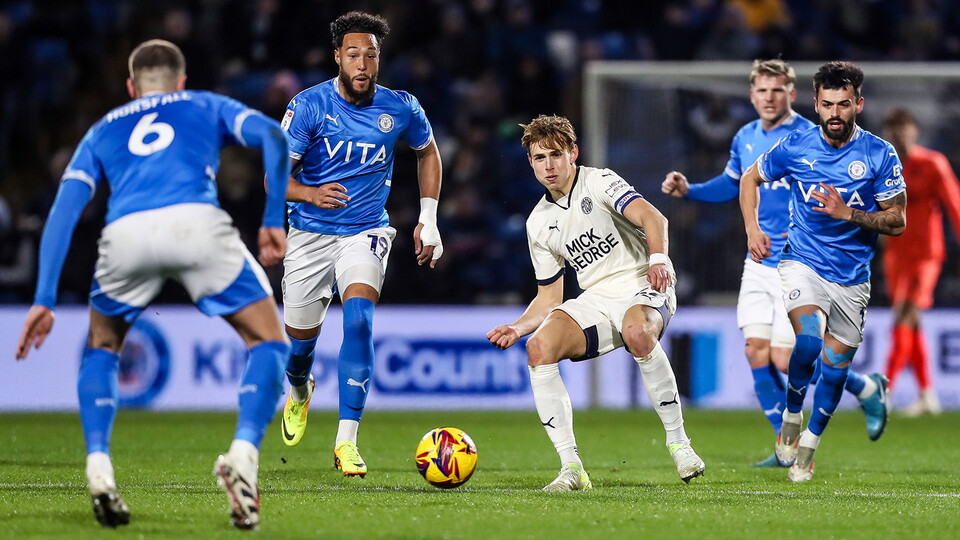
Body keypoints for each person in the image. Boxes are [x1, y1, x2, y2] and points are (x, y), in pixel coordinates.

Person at [14, 40, 291, 529]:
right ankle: (243, 456)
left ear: (130, 87)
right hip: (195, 223)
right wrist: (272, 219)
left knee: (102, 346)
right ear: (180, 82)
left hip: (126, 234)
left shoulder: (103, 128)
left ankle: (99, 466)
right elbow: (273, 135)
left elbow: (63, 210)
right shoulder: (203, 103)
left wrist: (44, 299)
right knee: (269, 340)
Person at [662, 59, 889, 467]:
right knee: (754, 351)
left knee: (787, 358)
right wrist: (691, 191)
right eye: (762, 91)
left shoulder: (811, 135)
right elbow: (734, 184)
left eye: (778, 90)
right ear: (751, 96)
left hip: (802, 261)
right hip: (759, 257)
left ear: (793, 94)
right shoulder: (746, 136)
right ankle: (785, 450)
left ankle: (862, 387)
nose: (769, 98)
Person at [487, 115, 705, 491]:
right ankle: (572, 468)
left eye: (557, 154)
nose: (549, 165)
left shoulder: (599, 180)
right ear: (530, 163)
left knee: (637, 331)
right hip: (597, 298)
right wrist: (519, 327)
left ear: (574, 153)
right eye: (540, 158)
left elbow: (654, 217)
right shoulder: (538, 223)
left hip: (644, 282)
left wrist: (657, 259)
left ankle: (679, 444)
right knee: (540, 348)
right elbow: (548, 299)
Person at [277, 11, 442, 478]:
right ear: (337, 58)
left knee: (361, 320)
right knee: (299, 346)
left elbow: (427, 152)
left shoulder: (401, 107)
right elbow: (274, 177)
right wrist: (311, 193)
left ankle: (346, 441)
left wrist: (428, 219)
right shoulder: (308, 106)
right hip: (309, 233)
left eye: (371, 54)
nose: (363, 63)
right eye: (353, 54)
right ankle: (300, 388)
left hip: (366, 230)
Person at [739, 61, 906, 482]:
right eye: (827, 104)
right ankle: (793, 415)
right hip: (802, 261)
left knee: (834, 369)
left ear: (858, 105)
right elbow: (749, 178)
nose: (834, 113)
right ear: (815, 103)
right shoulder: (796, 146)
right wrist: (753, 228)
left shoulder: (879, 153)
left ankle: (808, 447)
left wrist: (846, 212)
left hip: (852, 277)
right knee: (808, 342)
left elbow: (898, 220)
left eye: (844, 105)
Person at [881, 108, 960, 416]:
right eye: (893, 128)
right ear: (886, 133)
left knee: (904, 315)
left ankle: (883, 390)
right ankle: (927, 395)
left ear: (914, 131)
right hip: (895, 256)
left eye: (904, 127)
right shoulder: (881, 167)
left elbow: (954, 204)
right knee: (912, 324)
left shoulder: (932, 164)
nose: (899, 133)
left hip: (926, 255)